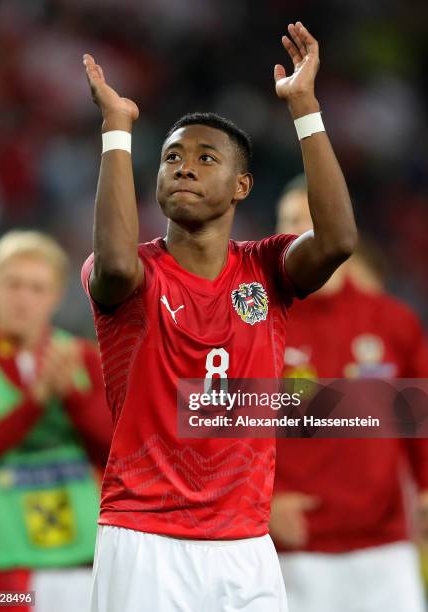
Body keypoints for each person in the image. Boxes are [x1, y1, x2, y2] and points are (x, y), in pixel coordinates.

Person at [82, 22, 357, 612]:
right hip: (145, 536)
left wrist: (305, 108)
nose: (184, 167)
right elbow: (110, 259)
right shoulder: (132, 275)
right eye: (172, 157)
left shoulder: (265, 270)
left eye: (206, 158)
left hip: (246, 543)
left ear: (241, 186)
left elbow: (336, 241)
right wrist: (117, 131)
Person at [270, 178, 428, 612]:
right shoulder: (259, 325)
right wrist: (262, 504)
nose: (300, 232)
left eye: (311, 218)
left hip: (385, 549)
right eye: (289, 222)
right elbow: (220, 427)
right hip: (294, 550)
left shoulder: (393, 322)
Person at [0, 231, 112, 612]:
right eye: (12, 284)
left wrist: (76, 401)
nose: (23, 299)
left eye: (36, 287)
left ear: (56, 295)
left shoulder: (81, 357)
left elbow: (117, 452)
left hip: (81, 553)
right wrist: (35, 403)